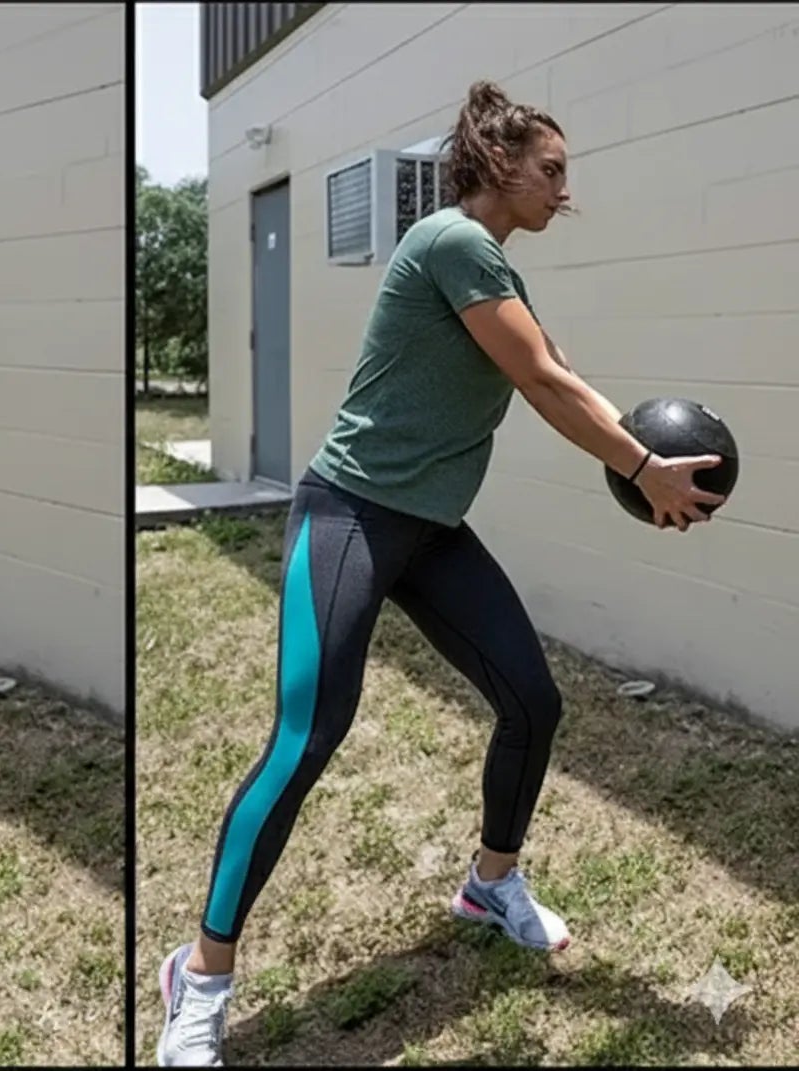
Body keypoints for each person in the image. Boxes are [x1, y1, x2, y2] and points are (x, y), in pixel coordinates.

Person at [155, 80, 728, 1067]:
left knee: (530, 702)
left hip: (428, 532)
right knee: (303, 738)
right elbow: (539, 381)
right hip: (347, 514)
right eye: (550, 171)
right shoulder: (452, 242)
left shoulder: (491, 261)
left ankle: (488, 882)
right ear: (498, 165)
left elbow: (557, 367)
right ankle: (199, 976)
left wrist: (636, 452)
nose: (564, 191)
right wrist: (640, 469)